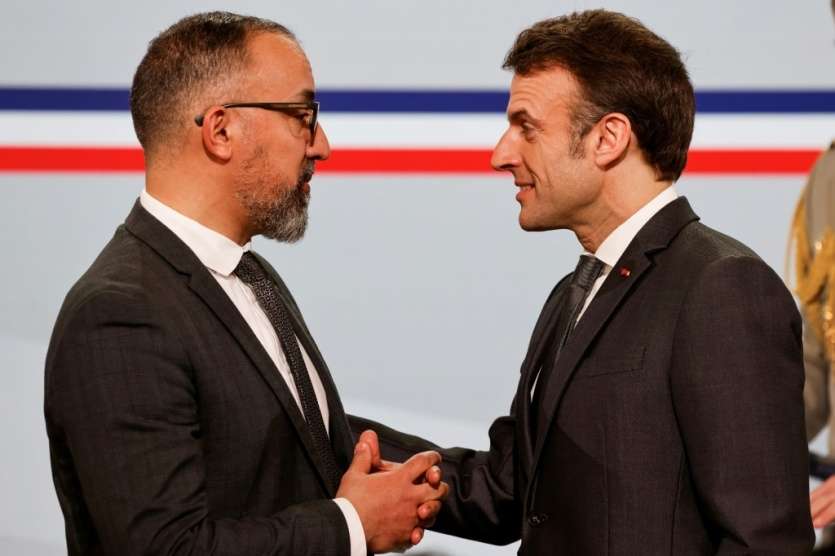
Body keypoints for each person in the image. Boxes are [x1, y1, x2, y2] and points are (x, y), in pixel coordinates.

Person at [352, 9, 814, 554]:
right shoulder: (576, 291)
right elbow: (510, 489)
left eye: (526, 127)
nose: (501, 154)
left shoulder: (722, 288)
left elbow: (764, 542)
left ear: (608, 138)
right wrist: (323, 432)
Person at [43, 12, 447, 556]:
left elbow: (299, 438)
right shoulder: (120, 313)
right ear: (221, 131)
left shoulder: (247, 274)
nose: (321, 144)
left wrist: (510, 479)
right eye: (303, 116)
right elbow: (167, 549)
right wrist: (351, 527)